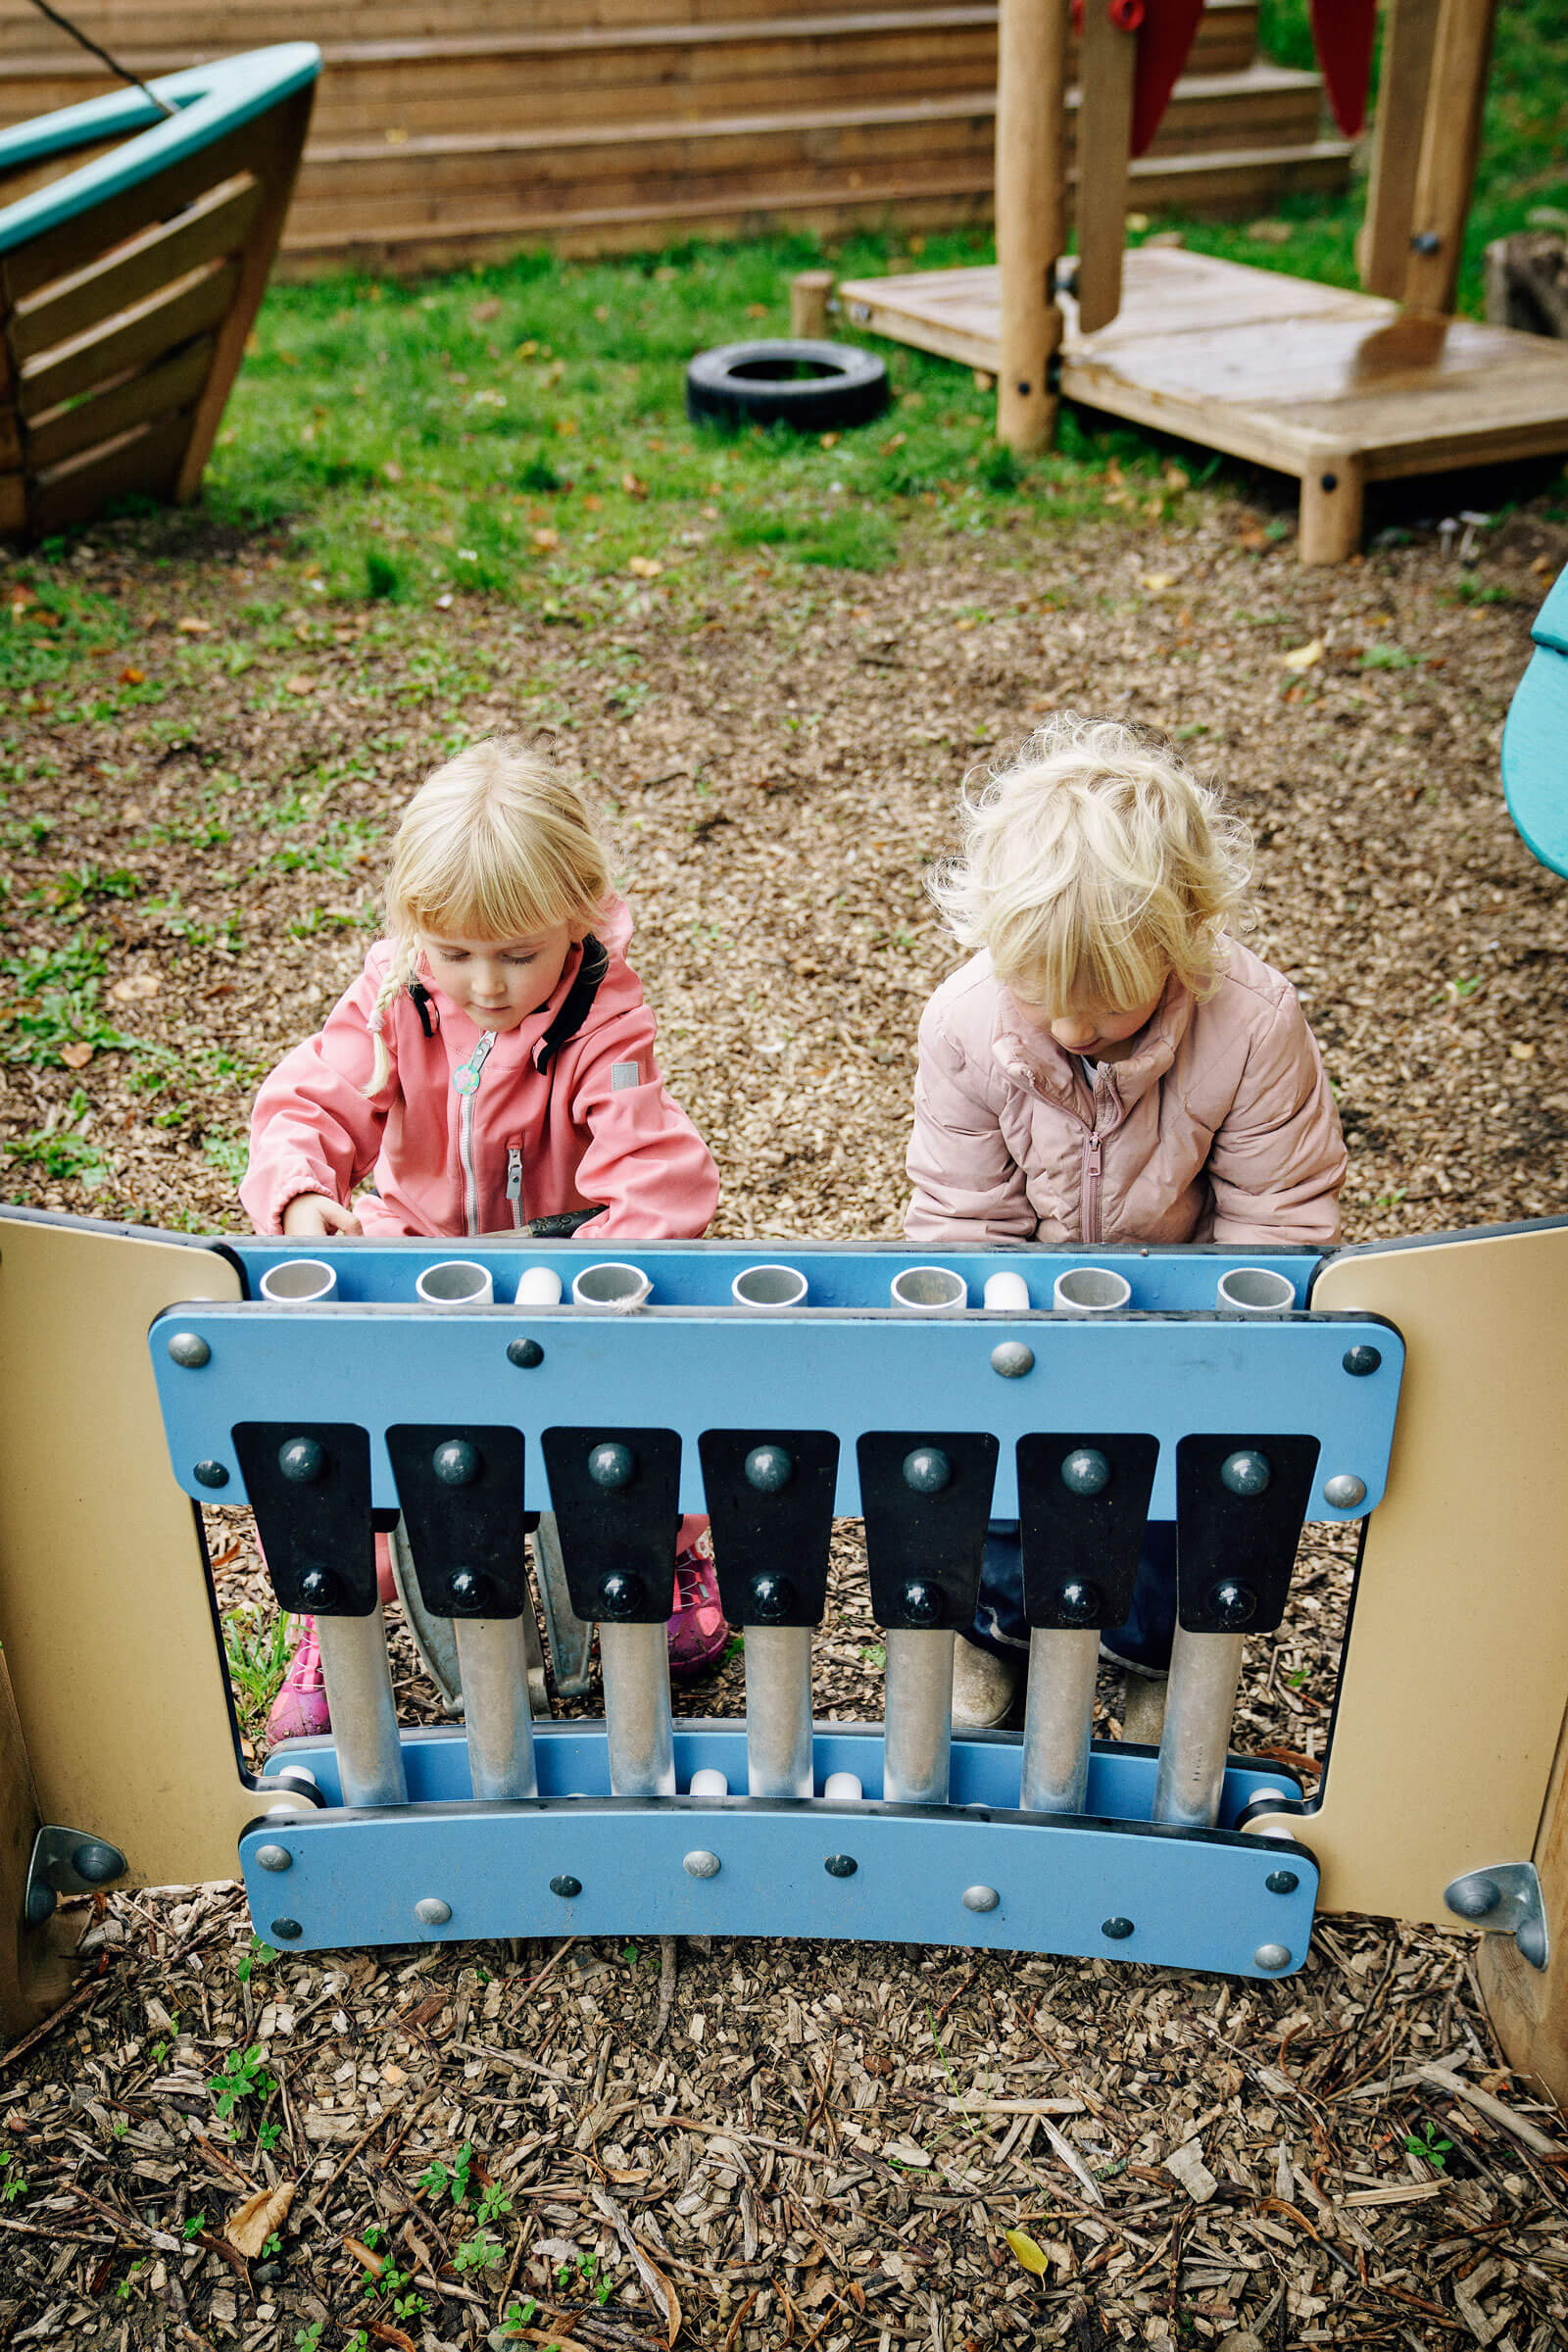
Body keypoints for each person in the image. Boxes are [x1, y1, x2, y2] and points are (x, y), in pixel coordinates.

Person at [241, 735, 725, 1741]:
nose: (488, 985)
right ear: (416, 928)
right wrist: (298, 1196)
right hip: (415, 1253)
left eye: (516, 953)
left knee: (642, 1400)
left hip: (560, 1262)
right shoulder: (394, 994)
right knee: (346, 1424)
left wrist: (606, 1267)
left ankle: (669, 1552)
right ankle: (336, 1613)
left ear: (578, 914)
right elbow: (310, 1102)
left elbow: (658, 1176)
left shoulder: (602, 1018)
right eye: (456, 951)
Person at [906, 712, 1348, 1729]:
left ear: (1183, 932)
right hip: (1033, 1308)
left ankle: (1150, 1659)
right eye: (1042, 997)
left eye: (1101, 1005)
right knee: (1000, 1471)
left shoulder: (1251, 1022)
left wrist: (1214, 1354)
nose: (1069, 1030)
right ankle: (995, 1636)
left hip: (1181, 1309)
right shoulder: (968, 1020)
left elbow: (1276, 1216)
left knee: (1169, 1499)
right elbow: (962, 1211)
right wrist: (997, 1339)